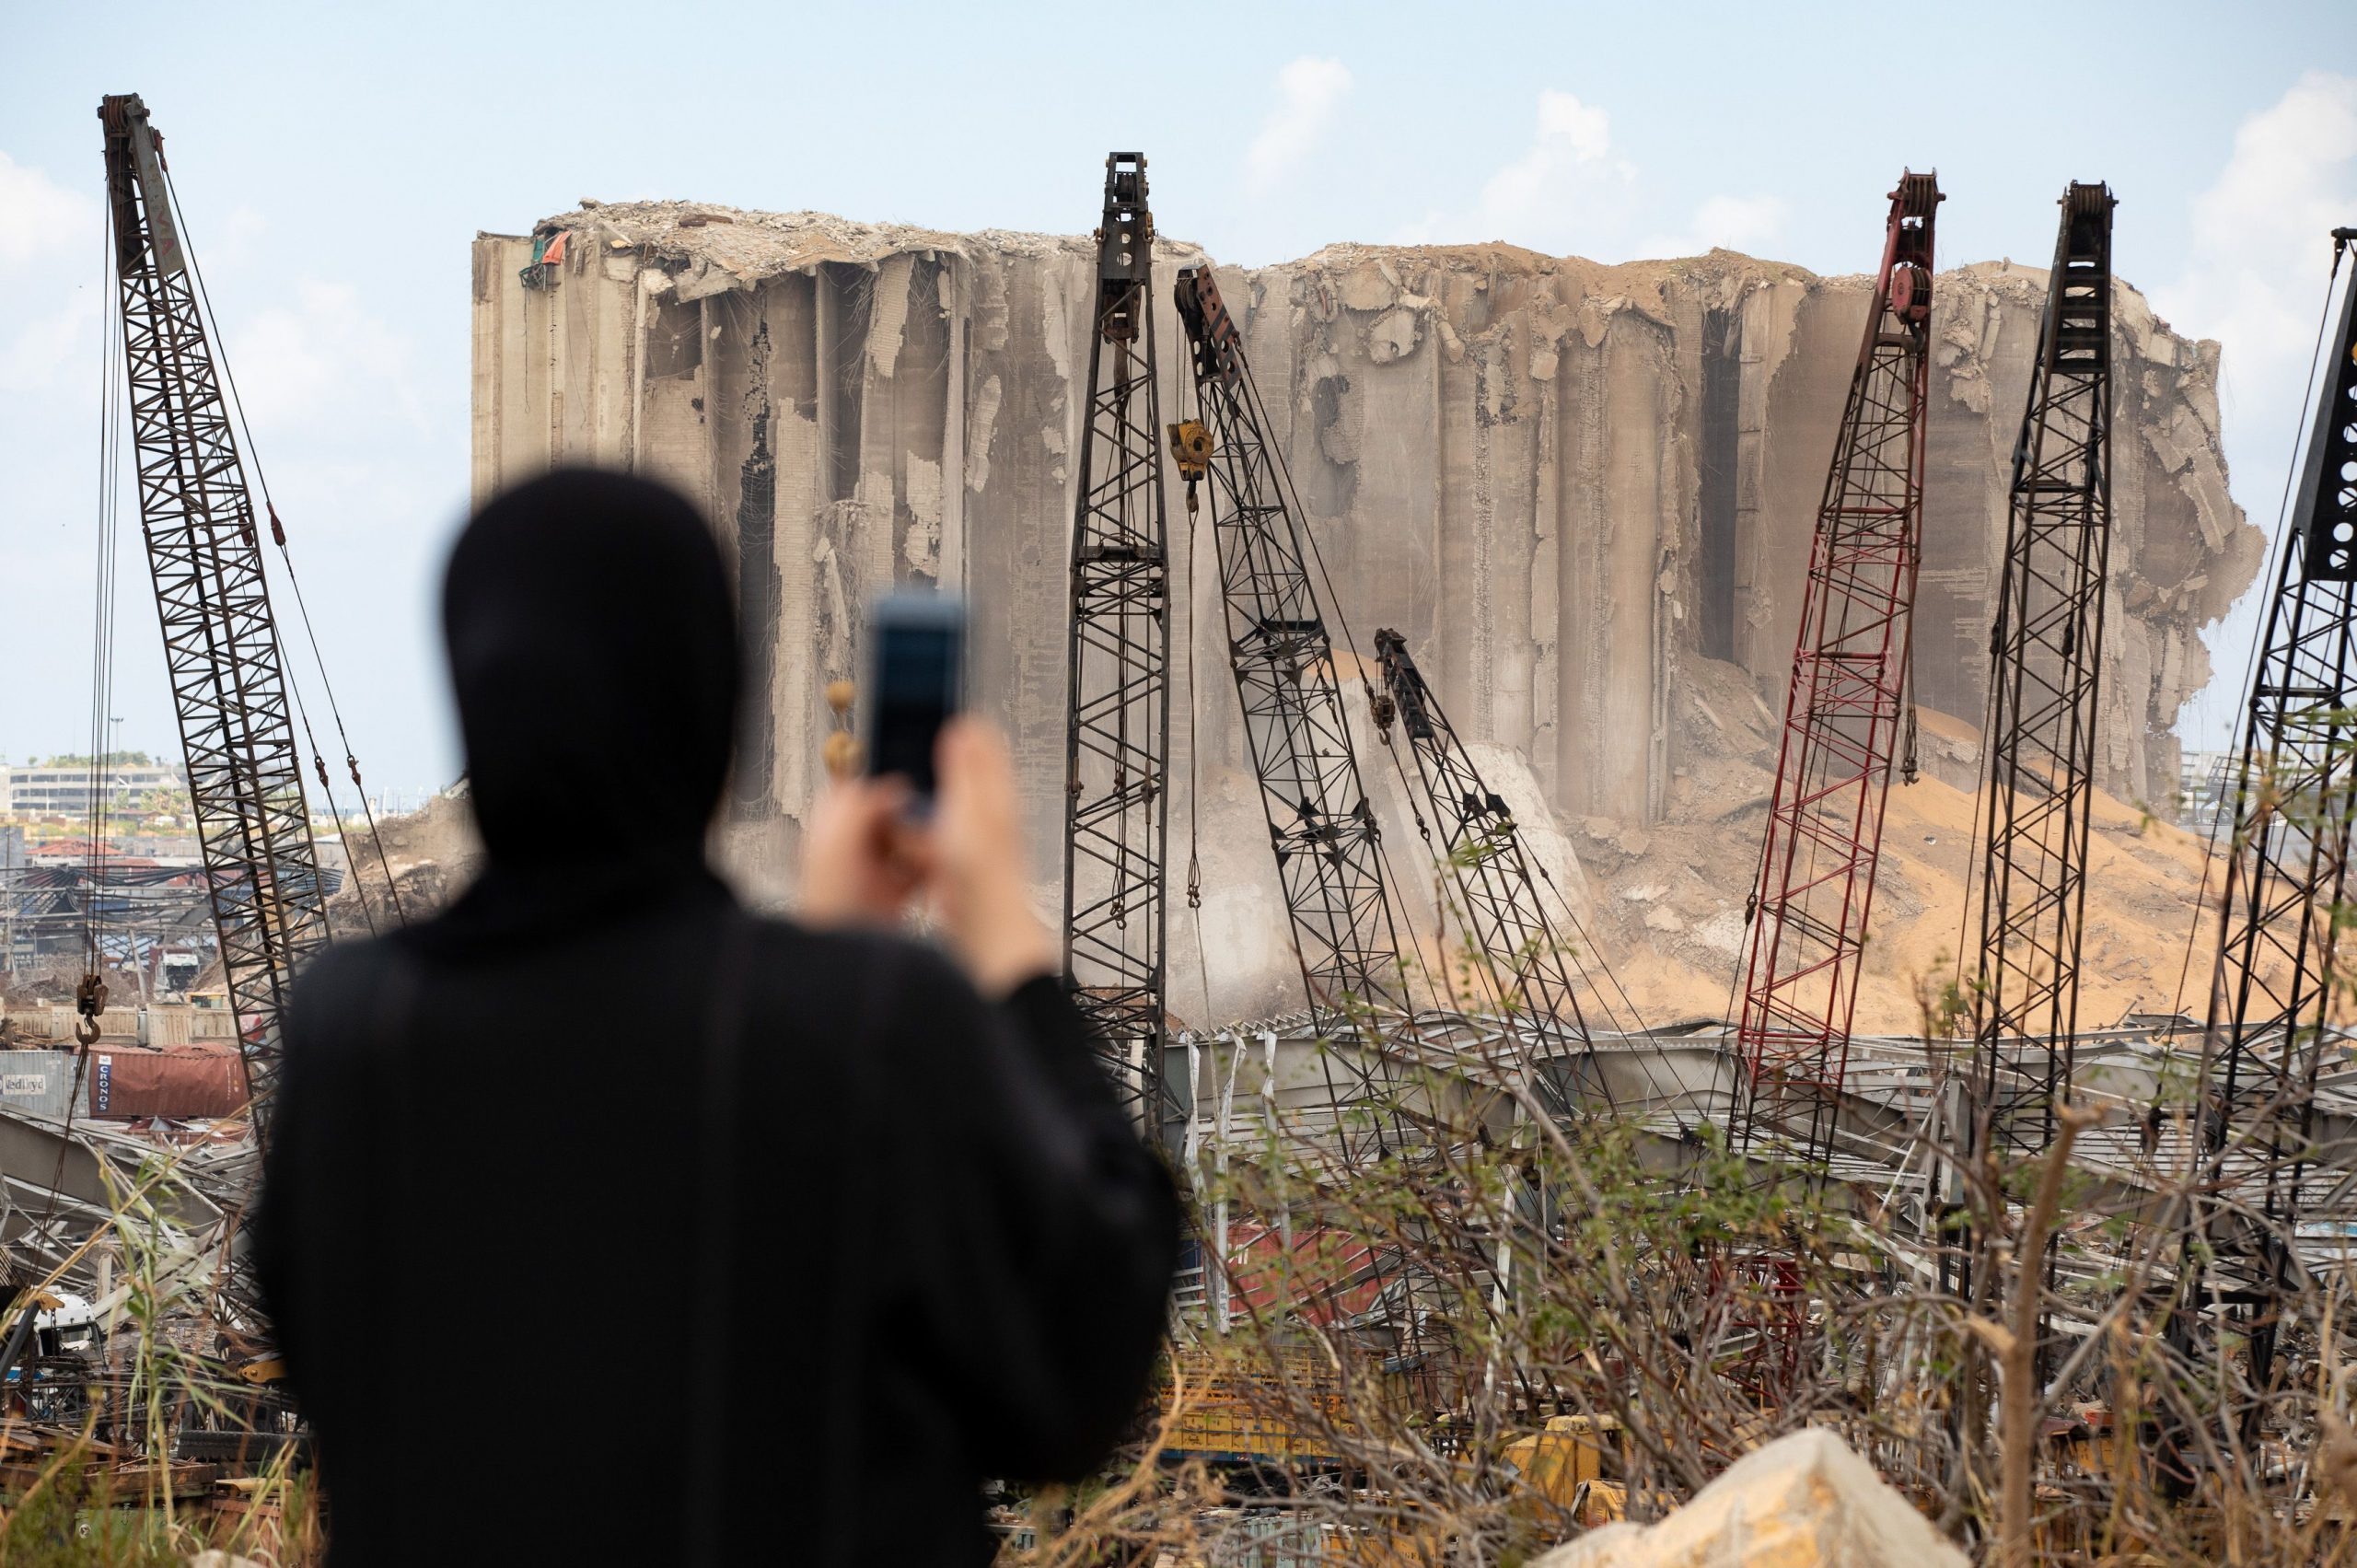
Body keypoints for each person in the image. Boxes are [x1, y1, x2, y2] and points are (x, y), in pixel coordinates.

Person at [255, 469, 1178, 1566]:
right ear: (709, 704)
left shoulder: (355, 1029)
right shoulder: (867, 1021)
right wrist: (1001, 936)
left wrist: (830, 968)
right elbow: (1079, 1372)